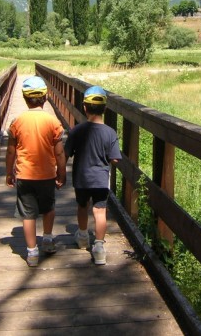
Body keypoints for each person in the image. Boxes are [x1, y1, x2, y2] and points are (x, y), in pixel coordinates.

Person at [6, 76, 66, 267]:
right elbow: (60, 153)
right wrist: (62, 173)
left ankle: (32, 252)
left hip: (24, 175)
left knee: (28, 214)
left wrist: (9, 172)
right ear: (45, 98)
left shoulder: (17, 122)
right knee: (48, 208)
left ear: (24, 98)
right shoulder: (53, 122)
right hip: (47, 174)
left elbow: (10, 150)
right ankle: (47, 239)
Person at [64, 85, 122, 265]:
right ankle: (98, 246)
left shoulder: (76, 131)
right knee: (100, 210)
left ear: (84, 107)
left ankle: (82, 236)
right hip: (100, 179)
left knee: (82, 206)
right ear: (105, 109)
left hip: (81, 178)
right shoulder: (110, 132)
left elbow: (65, 154)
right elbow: (115, 160)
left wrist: (59, 173)